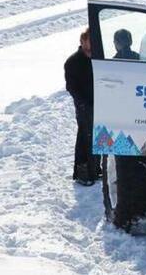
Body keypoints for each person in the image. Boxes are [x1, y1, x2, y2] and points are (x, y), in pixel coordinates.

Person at [64, 28, 99, 186]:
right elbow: (71, 87)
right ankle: (83, 172)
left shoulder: (99, 58)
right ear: (82, 41)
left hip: (99, 104)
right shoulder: (73, 62)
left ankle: (96, 169)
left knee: (99, 136)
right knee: (85, 137)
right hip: (84, 106)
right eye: (89, 40)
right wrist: (82, 103)